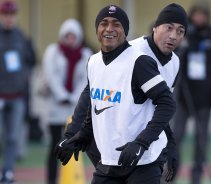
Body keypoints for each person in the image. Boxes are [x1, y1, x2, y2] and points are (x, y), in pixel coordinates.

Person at [55, 3, 188, 183]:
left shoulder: (174, 63)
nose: (173, 35)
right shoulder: (128, 53)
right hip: (113, 147)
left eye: (180, 31)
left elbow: (163, 104)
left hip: (144, 152)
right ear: (155, 27)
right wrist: (74, 135)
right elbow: (91, 95)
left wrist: (168, 143)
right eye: (169, 28)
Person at [173, 3, 211, 184]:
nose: (199, 19)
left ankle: (196, 177)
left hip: (205, 99)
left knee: (201, 141)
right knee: (175, 137)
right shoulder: (183, 36)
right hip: (183, 96)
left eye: (202, 15)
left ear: (207, 17)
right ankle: (170, 174)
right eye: (196, 15)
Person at [42, 18, 92, 184]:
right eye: (67, 35)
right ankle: (51, 180)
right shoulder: (53, 52)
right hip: (56, 107)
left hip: (75, 108)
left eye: (74, 36)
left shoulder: (85, 54)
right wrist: (62, 95)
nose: (70, 39)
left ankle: (72, 179)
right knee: (54, 146)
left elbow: (86, 80)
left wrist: (74, 98)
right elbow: (51, 76)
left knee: (74, 144)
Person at [0, 1, 35, 183]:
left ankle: (8, 172)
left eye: (11, 14)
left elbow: (30, 60)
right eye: (5, 14)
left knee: (13, 137)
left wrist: (25, 77)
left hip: (17, 96)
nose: (8, 18)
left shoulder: (21, 36)